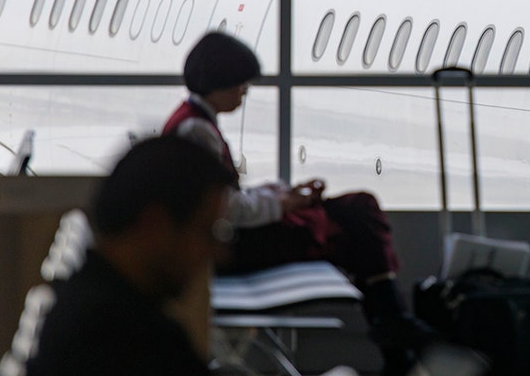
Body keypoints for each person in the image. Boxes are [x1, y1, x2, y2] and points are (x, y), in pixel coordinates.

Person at [163, 31, 429, 375]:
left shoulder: (193, 122)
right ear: (220, 82)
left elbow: (225, 199)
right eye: (241, 83)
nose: (245, 91)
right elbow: (227, 209)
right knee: (358, 219)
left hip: (234, 240)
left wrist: (283, 195)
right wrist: (286, 204)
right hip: (233, 249)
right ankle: (393, 324)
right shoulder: (196, 132)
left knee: (358, 213)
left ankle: (393, 327)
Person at [27, 135, 233, 376]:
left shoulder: (79, 310)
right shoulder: (130, 339)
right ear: (154, 225)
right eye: (207, 231)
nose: (219, 254)